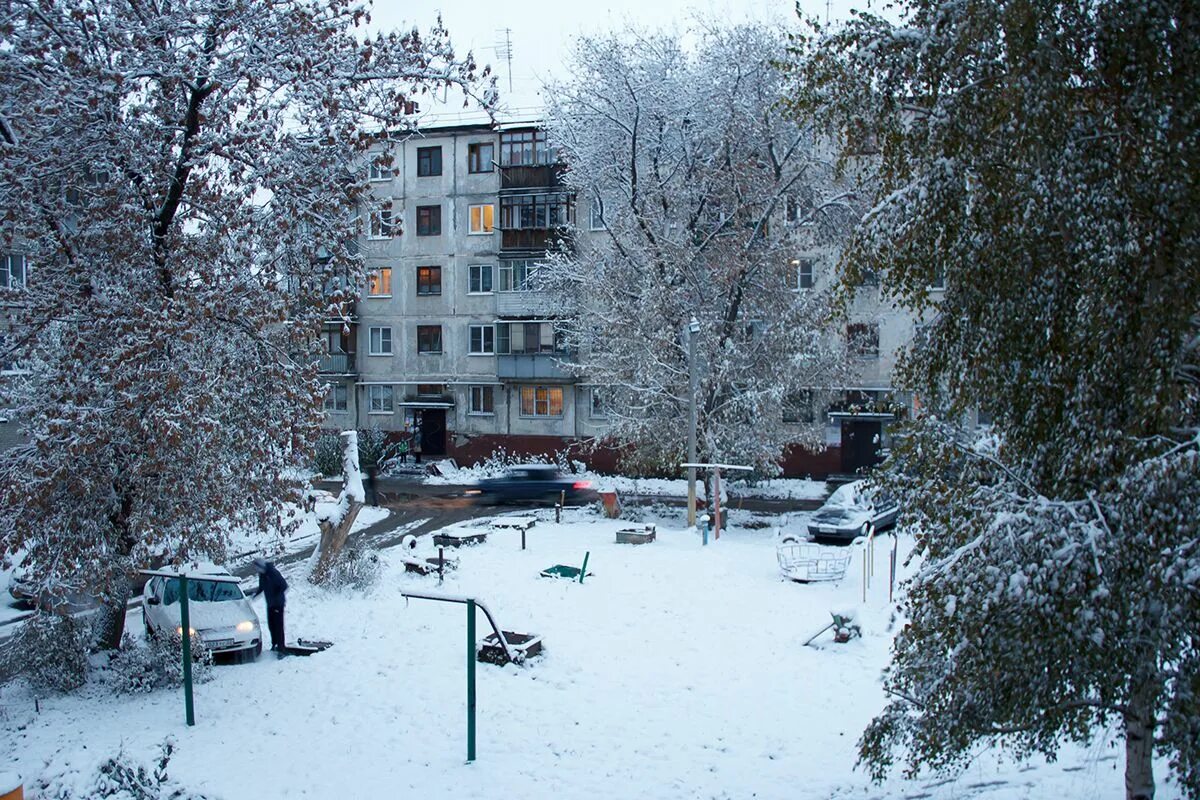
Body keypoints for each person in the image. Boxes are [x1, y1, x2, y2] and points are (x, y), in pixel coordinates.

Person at [250, 557, 288, 654]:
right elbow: (262, 587)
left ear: (261, 566)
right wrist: (254, 596)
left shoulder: (273, 573)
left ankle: (281, 649)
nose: (256, 570)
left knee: (278, 626)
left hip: (278, 604)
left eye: (256, 568)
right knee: (271, 625)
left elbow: (284, 586)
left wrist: (276, 595)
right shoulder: (262, 575)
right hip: (270, 604)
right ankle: (274, 644)